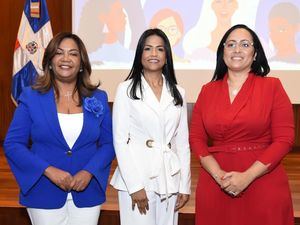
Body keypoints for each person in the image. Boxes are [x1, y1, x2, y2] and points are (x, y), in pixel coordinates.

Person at [4, 32, 115, 225]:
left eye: (73, 54)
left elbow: (109, 143)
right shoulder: (31, 97)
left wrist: (89, 171)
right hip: (43, 190)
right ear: (49, 61)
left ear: (82, 63)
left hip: (86, 192)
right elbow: (13, 144)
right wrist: (48, 170)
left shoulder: (99, 97)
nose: (66, 59)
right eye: (59, 53)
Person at [189, 24, 294, 225]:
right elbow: (196, 138)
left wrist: (247, 177)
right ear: (223, 52)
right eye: (231, 44)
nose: (237, 50)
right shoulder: (207, 90)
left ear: (255, 54)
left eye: (245, 44)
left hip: (262, 181)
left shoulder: (272, 87)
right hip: (216, 182)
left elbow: (284, 139)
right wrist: (218, 174)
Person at [110, 28, 191, 225]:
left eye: (160, 49)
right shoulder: (125, 89)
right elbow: (120, 141)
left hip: (169, 177)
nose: (154, 54)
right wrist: (134, 186)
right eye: (148, 48)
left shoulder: (178, 92)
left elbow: (182, 143)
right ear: (140, 54)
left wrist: (184, 185)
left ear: (167, 56)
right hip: (138, 177)